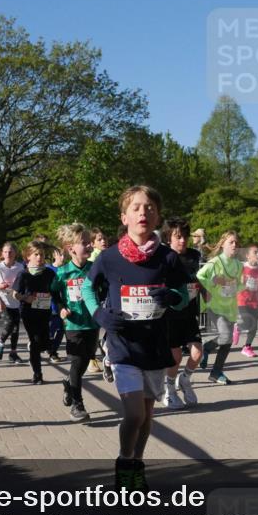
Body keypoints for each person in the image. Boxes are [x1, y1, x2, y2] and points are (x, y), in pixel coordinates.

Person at [82, 186, 189, 490]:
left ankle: (136, 464)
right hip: (122, 346)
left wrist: (171, 296)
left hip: (154, 345)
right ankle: (124, 458)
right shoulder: (109, 257)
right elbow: (89, 289)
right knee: (134, 413)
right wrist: (98, 314)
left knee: (147, 414)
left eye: (150, 208)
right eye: (137, 207)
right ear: (124, 216)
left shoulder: (167, 258)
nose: (144, 212)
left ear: (157, 217)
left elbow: (184, 296)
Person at [55, 223, 99, 421]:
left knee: (85, 360)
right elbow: (54, 293)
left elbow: (105, 289)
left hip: (93, 322)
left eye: (90, 243)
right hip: (73, 324)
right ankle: (77, 404)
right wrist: (61, 308)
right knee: (76, 361)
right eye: (84, 243)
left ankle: (68, 384)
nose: (89, 246)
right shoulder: (62, 272)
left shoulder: (95, 269)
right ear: (71, 248)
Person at [161, 217, 202, 409]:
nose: (183, 241)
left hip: (190, 311)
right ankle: (169, 389)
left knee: (197, 353)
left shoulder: (194, 255)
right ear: (169, 238)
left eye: (185, 236)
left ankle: (184, 379)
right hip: (171, 313)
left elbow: (194, 278)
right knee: (175, 356)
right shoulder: (164, 256)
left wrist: (204, 289)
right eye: (178, 237)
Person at [197, 231, 242, 385]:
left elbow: (238, 285)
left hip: (230, 307)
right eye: (231, 242)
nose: (235, 245)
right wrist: (213, 281)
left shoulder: (238, 264)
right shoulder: (215, 262)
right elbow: (199, 277)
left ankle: (216, 370)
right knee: (226, 335)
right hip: (215, 306)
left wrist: (244, 286)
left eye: (236, 242)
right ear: (223, 244)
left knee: (227, 341)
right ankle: (207, 349)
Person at [13, 241, 59, 385]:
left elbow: (56, 290)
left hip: (45, 311)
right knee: (35, 341)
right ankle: (37, 373)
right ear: (28, 256)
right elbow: (15, 294)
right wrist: (26, 298)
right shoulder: (24, 274)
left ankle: (40, 350)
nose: (39, 257)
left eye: (42, 255)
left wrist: (56, 298)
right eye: (36, 254)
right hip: (28, 312)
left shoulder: (49, 273)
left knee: (44, 342)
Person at [0, 242, 25, 364]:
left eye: (10, 252)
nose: (8, 254)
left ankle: (13, 353)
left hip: (16, 301)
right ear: (2, 254)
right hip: (3, 301)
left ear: (15, 253)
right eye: (5, 252)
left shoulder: (20, 267)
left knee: (15, 328)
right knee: (9, 323)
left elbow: (23, 282)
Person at [235, 243, 258, 358]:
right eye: (255, 252)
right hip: (242, 300)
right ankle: (237, 327)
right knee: (247, 322)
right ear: (247, 256)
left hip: (254, 301)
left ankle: (247, 347)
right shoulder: (243, 268)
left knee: (254, 327)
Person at [48, 246, 67, 363]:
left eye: (64, 255)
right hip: (50, 305)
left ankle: (53, 351)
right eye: (60, 255)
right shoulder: (48, 269)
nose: (63, 257)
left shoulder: (66, 269)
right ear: (55, 255)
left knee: (61, 329)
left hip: (62, 304)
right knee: (50, 330)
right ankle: (48, 348)